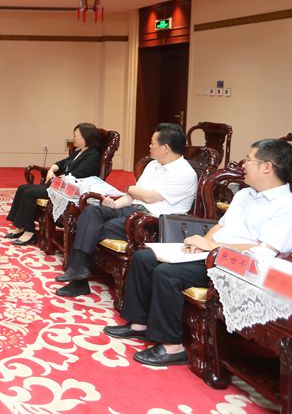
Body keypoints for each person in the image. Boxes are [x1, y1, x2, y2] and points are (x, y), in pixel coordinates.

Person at [106, 139, 292, 366]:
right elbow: (221, 226)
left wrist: (211, 247)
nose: (243, 164)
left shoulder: (286, 205)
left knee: (167, 274)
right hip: (212, 253)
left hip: (238, 266)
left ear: (267, 167)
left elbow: (264, 251)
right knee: (144, 257)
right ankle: (139, 324)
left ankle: (171, 346)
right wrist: (204, 242)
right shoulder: (245, 195)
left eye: (249, 159)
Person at [55, 123, 198, 297]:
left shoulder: (184, 173)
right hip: (133, 209)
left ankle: (78, 281)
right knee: (92, 212)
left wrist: (130, 189)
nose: (149, 146)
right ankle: (78, 269)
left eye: (152, 143)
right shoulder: (153, 165)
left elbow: (148, 197)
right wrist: (114, 205)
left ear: (165, 148)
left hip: (151, 221)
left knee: (97, 227)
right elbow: (133, 194)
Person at [6, 123, 103, 246]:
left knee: (29, 193)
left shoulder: (93, 155)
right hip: (61, 186)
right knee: (22, 188)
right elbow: (61, 163)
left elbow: (78, 174)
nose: (73, 138)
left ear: (86, 137)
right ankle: (21, 226)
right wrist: (52, 169)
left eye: (76, 135)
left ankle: (29, 232)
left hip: (70, 190)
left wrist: (58, 177)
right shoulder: (79, 152)